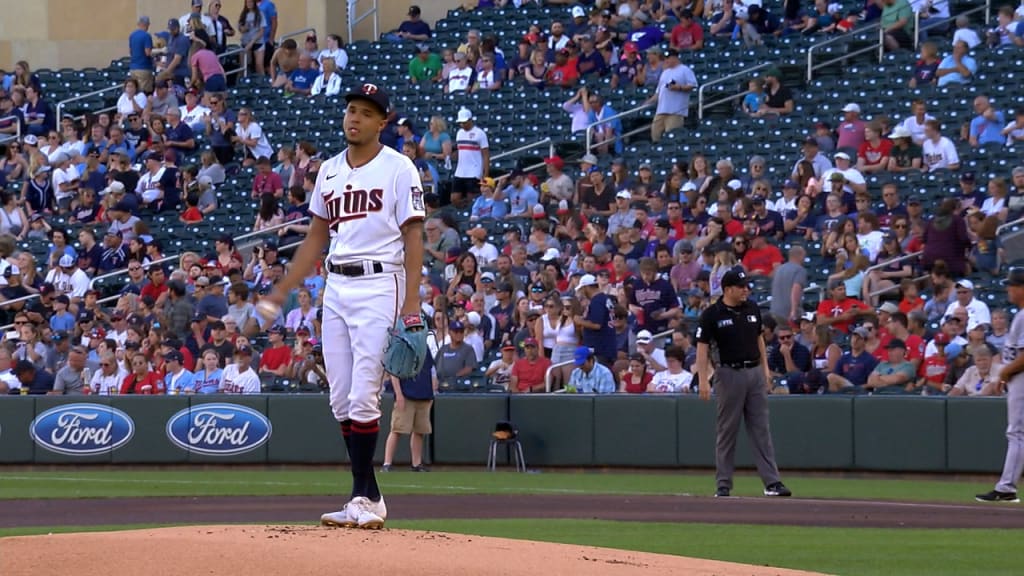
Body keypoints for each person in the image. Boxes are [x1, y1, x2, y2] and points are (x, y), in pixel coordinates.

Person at [264, 84, 424, 530]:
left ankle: (361, 495)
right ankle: (368, 495)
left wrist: (410, 302)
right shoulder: (330, 170)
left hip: (380, 282)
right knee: (339, 399)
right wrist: (282, 289)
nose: (355, 118)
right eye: (351, 109)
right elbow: (317, 236)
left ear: (382, 122)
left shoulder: (399, 168)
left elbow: (414, 234)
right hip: (337, 285)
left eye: (366, 112)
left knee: (363, 394)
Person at [695, 269, 790, 498]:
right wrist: (703, 380)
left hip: (754, 371)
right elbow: (702, 347)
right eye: (741, 286)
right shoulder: (712, 314)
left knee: (761, 429)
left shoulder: (752, 308)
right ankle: (724, 483)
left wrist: (765, 370)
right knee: (727, 430)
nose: (746, 289)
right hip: (728, 373)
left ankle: (772, 482)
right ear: (728, 289)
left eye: (747, 285)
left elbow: (759, 339)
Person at [977, 269, 1024, 502]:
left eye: (1012, 285)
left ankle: (1006, 487)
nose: (1008, 289)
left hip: (1021, 378)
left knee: (1016, 433)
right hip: (1016, 377)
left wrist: (1004, 372)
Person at [382, 349, 436, 472]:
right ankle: (387, 463)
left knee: (419, 431)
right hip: (406, 395)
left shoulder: (424, 348)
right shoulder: (401, 348)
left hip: (424, 394)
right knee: (397, 429)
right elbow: (394, 373)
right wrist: (399, 394)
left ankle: (416, 464)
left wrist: (432, 391)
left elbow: (432, 370)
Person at [645, 48, 696, 143]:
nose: (666, 60)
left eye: (668, 58)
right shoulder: (665, 72)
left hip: (676, 110)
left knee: (672, 136)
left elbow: (692, 85)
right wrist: (648, 102)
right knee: (655, 134)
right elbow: (659, 92)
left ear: (675, 57)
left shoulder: (684, 69)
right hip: (661, 110)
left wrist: (679, 87)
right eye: (665, 58)